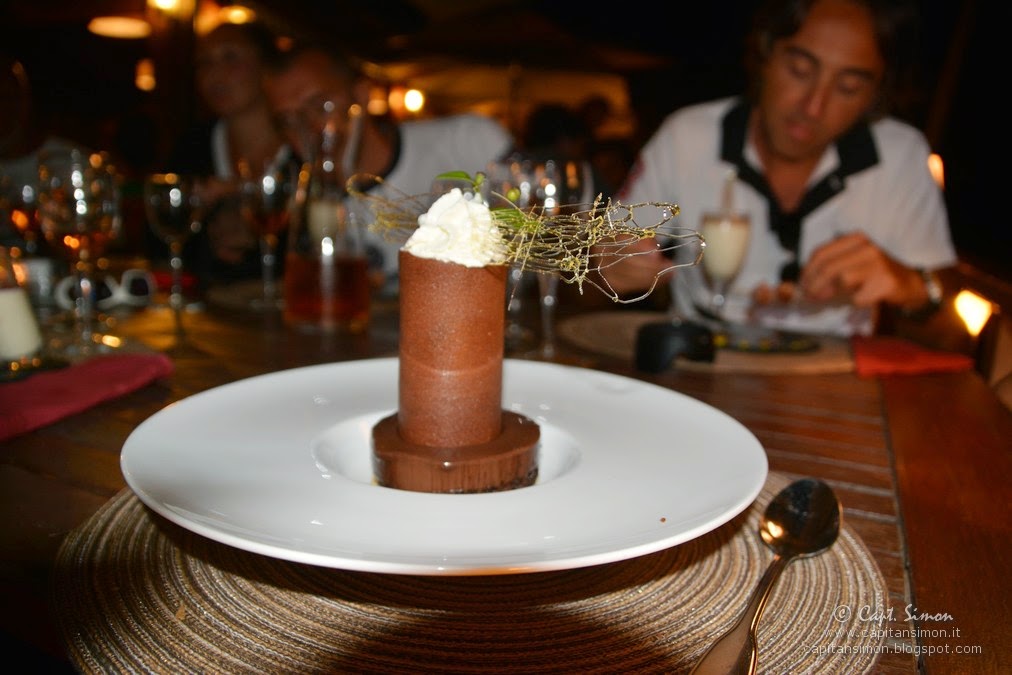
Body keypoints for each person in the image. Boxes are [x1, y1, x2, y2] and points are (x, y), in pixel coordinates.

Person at [606, 0, 956, 337]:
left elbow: (947, 327)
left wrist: (912, 288)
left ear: (876, 94)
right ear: (765, 53)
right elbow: (600, 264)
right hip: (699, 354)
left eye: (848, 88)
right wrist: (611, 268)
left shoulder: (901, 155)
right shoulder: (688, 137)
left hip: (837, 367)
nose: (813, 107)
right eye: (799, 70)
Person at [261, 44, 515, 291]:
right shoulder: (299, 200)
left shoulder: (468, 141)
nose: (308, 128)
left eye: (320, 106)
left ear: (362, 95)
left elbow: (533, 237)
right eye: (289, 120)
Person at [163, 20, 292, 286]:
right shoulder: (192, 147)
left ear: (267, 65)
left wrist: (258, 230)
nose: (215, 74)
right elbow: (163, 244)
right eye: (204, 63)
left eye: (230, 57)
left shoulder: (301, 147)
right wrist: (203, 227)